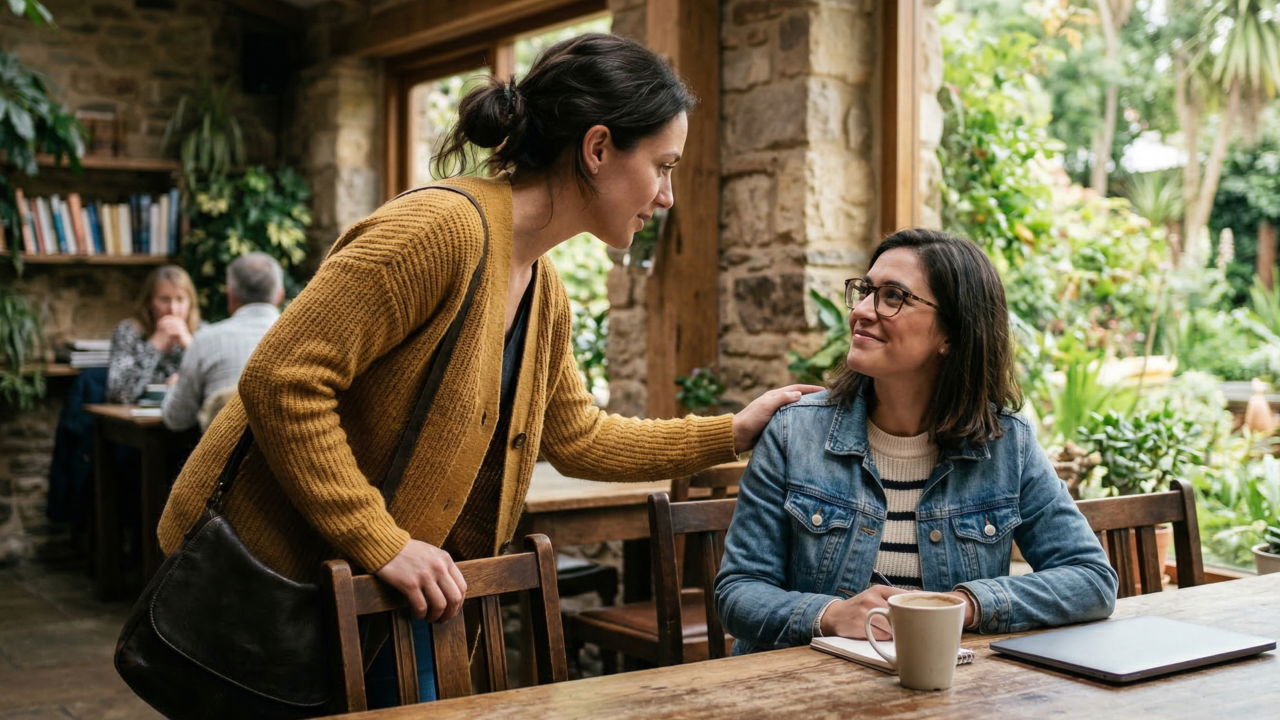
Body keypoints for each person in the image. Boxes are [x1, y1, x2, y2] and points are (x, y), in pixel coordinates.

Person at [157, 33, 820, 706]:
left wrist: (731, 431)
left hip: (386, 589)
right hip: (272, 572)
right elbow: (281, 380)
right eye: (663, 165)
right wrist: (382, 542)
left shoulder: (543, 290)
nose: (668, 196)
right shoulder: (438, 230)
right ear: (597, 149)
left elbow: (578, 437)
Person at [715, 229, 1117, 654]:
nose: (863, 311)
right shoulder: (794, 433)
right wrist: (832, 615)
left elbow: (1091, 579)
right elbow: (738, 593)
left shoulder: (1006, 445)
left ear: (952, 334)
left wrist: (962, 606)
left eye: (893, 297)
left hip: (945, 691)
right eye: (866, 291)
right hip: (805, 692)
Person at [162, 253, 284, 432]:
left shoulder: (204, 340)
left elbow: (177, 420)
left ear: (231, 296)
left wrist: (173, 387)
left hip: (224, 457)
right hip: (293, 457)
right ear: (280, 295)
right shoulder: (307, 340)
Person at [106, 265, 201, 404]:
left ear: (190, 303)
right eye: (164, 299)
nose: (173, 309)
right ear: (149, 302)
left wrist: (190, 346)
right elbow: (119, 394)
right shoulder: (128, 332)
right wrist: (154, 347)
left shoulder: (203, 333)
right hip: (136, 420)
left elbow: (218, 389)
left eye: (180, 299)